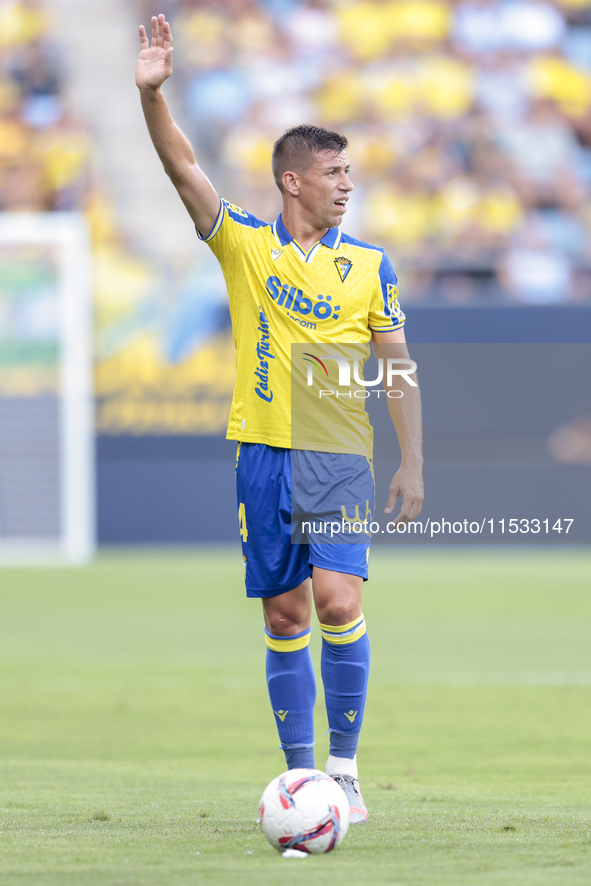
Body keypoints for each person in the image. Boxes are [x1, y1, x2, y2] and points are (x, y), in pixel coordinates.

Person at [136, 14, 424, 824]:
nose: (346, 183)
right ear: (291, 180)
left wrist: (412, 459)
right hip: (261, 452)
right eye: (333, 172)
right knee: (285, 612)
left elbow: (397, 364)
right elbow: (180, 164)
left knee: (337, 599)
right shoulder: (245, 249)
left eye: (350, 174)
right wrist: (154, 96)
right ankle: (303, 781)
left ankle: (345, 768)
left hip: (337, 455)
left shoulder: (369, 266)